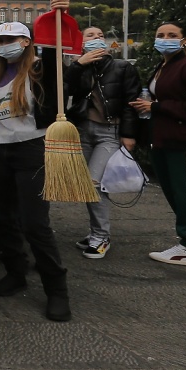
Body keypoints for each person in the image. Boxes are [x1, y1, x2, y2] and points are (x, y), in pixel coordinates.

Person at [0, 13, 69, 321]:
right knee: (2, 218)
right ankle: (15, 272)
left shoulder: (39, 71)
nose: (3, 46)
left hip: (30, 149)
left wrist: (60, 13)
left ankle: (56, 289)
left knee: (35, 223)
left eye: (9, 41)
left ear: (26, 42)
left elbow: (59, 53)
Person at [132, 21, 186, 267]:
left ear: (184, 40)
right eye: (160, 35)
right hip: (165, 140)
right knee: (176, 193)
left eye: (172, 35)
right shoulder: (164, 66)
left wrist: (157, 106)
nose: (165, 38)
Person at [63, 26, 141, 259]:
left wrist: (128, 134)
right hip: (83, 131)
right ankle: (96, 231)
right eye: (90, 35)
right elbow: (63, 88)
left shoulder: (122, 67)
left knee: (93, 182)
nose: (96, 38)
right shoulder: (78, 68)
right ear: (82, 43)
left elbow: (131, 102)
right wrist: (79, 64)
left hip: (109, 132)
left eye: (99, 35)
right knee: (86, 185)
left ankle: (101, 236)